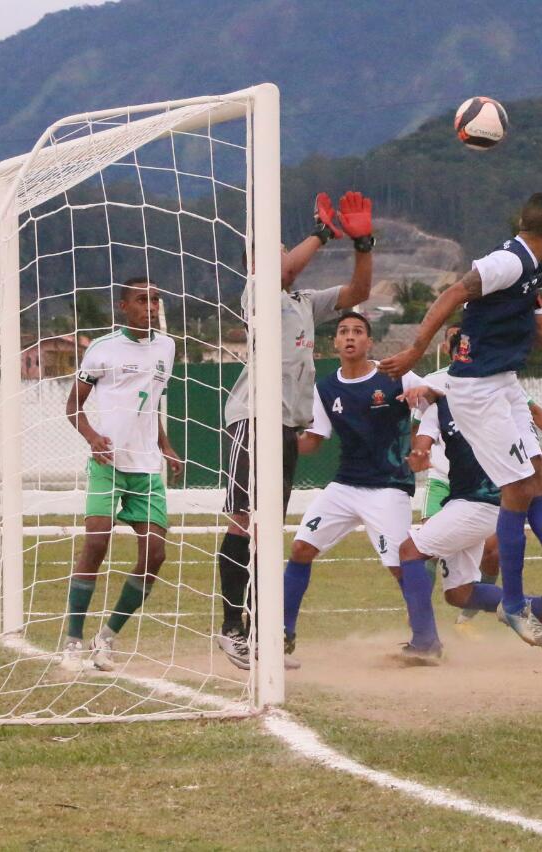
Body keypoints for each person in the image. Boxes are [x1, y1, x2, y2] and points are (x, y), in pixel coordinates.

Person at [380, 193, 542, 648]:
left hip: (504, 382)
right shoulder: (509, 262)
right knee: (517, 490)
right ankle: (513, 605)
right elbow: (455, 291)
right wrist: (415, 349)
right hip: (477, 389)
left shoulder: (529, 272)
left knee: (537, 484)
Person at [215, 191, 375, 670]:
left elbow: (358, 294)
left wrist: (363, 244)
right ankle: (231, 628)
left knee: (268, 528)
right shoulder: (257, 291)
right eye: (278, 249)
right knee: (244, 520)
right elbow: (281, 273)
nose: (288, 255)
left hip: (285, 423)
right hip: (252, 417)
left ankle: (261, 633)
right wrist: (323, 232)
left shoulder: (302, 300)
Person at [402, 373, 542, 646]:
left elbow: (532, 451)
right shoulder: (440, 407)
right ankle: (541, 606)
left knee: (410, 551)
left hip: (483, 503)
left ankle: (424, 644)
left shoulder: (496, 401)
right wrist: (418, 457)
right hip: (459, 501)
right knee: (458, 593)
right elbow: (421, 445)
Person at [282, 312, 439, 666]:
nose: (350, 337)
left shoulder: (395, 374)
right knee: (301, 548)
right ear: (334, 343)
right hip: (345, 485)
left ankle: (427, 640)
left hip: (388, 487)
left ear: (370, 342)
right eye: (343, 332)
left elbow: (437, 400)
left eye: (358, 332)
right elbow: (313, 441)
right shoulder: (325, 389)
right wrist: (279, 441)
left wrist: (425, 398)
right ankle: (283, 633)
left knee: (401, 564)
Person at [61, 279, 183, 671]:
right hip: (107, 464)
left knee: (155, 555)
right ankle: (73, 641)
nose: (150, 306)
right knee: (96, 544)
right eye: (142, 300)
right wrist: (94, 438)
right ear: (123, 306)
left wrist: (165, 446)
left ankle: (107, 637)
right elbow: (73, 408)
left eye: (155, 299)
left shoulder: (167, 347)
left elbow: (149, 405)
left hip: (146, 468)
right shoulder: (102, 349)